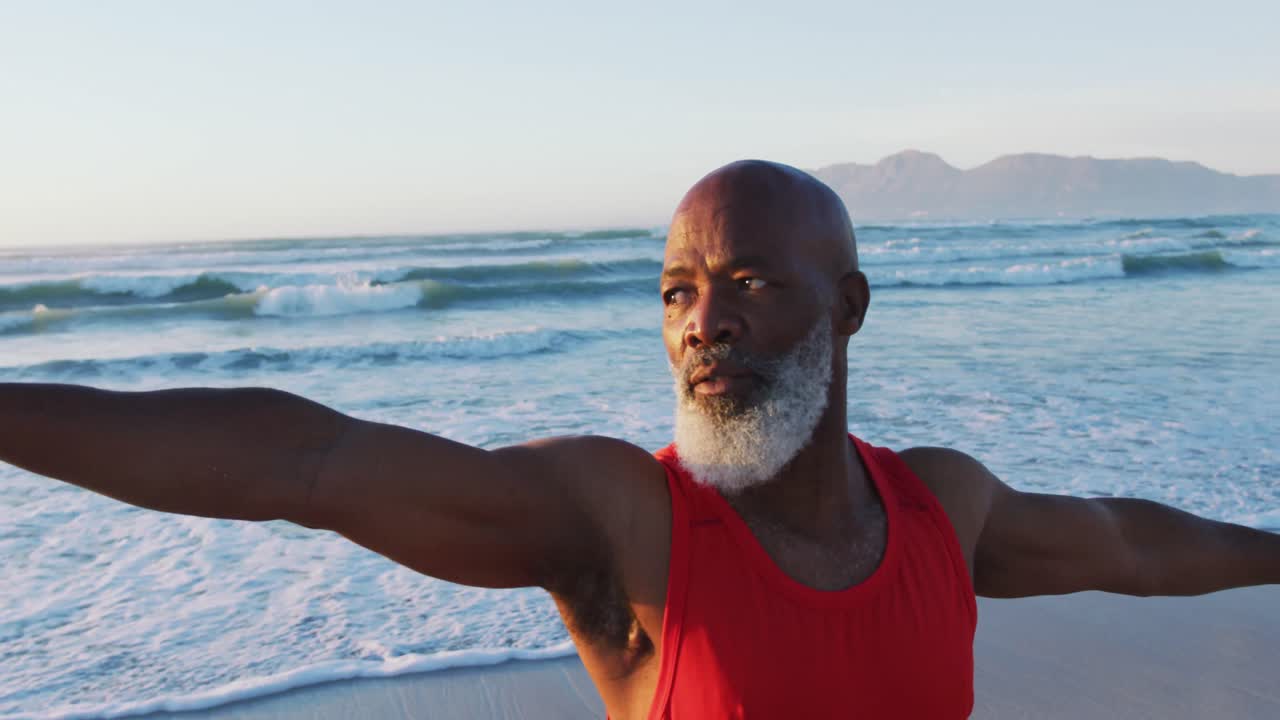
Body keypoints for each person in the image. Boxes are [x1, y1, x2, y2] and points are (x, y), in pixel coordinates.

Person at [2, 160, 1277, 719]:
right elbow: (308, 463)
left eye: (749, 285)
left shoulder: (945, 507)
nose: (702, 326)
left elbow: (1127, 543)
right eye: (674, 290)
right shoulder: (625, 521)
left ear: (847, 307)